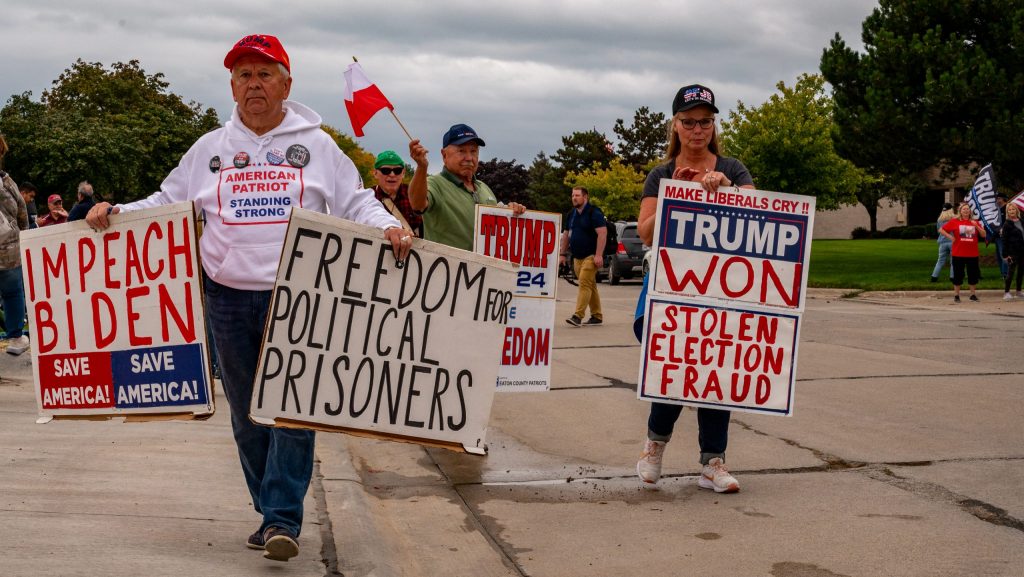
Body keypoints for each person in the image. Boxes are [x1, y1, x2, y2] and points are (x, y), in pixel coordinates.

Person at [86, 33, 410, 563]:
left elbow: (356, 203)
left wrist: (388, 227)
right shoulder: (210, 148)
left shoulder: (319, 145)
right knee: (246, 411)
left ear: (286, 82)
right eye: (242, 75)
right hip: (228, 297)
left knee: (293, 408)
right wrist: (114, 212)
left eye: (263, 73)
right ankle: (269, 510)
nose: (252, 84)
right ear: (232, 87)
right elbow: (166, 202)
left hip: (300, 296)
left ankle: (282, 517)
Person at [634, 84, 754, 493]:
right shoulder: (661, 174)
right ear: (676, 125)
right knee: (674, 363)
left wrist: (726, 190)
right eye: (689, 121)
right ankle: (655, 444)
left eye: (705, 121)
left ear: (713, 124)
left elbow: (758, 216)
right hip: (668, 288)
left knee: (715, 366)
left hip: (719, 290)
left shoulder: (733, 168)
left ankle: (713, 463)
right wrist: (676, 196)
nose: (697, 129)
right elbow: (646, 233)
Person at [407, 124, 525, 250]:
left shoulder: (484, 188)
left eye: (473, 151)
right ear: (444, 155)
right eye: (461, 151)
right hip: (446, 268)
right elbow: (417, 205)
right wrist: (421, 167)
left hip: (485, 268)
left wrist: (512, 213)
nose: (469, 158)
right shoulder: (434, 184)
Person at [0, 136, 30, 355]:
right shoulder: (6, 181)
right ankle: (16, 338)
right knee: (12, 293)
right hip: (9, 248)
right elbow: (22, 211)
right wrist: (24, 236)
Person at [559, 187, 606, 326]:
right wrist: (562, 254)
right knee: (590, 286)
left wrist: (598, 255)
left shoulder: (594, 212)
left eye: (577, 195)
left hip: (590, 256)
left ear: (585, 197)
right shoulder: (571, 214)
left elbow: (602, 234)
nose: (574, 198)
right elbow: (566, 235)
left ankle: (577, 316)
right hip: (577, 257)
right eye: (573, 195)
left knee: (584, 284)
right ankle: (597, 316)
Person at [940, 203, 986, 303]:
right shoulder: (955, 221)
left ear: (970, 211)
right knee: (958, 275)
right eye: (963, 209)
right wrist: (951, 237)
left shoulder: (975, 222)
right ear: (960, 211)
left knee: (973, 274)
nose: (966, 211)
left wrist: (976, 226)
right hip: (958, 253)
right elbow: (941, 230)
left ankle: (972, 294)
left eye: (967, 209)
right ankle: (956, 295)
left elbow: (983, 234)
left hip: (972, 254)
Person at [371, 150, 422, 237]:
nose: (392, 174)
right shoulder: (367, 197)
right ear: (375, 173)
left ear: (403, 173)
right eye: (385, 170)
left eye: (397, 170)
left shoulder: (415, 195)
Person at [1000, 202, 1024, 300]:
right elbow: (1004, 240)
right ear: (1007, 212)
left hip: (1023, 251)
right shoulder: (1007, 224)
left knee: (1021, 272)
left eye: (1013, 209)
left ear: (1016, 210)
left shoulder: (1022, 221)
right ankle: (1006, 292)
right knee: (1011, 272)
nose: (1011, 211)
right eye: (1009, 210)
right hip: (1012, 252)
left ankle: (1018, 291)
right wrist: (1005, 254)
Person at [930, 202, 956, 282]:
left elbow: (939, 231)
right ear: (951, 209)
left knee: (940, 261)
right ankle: (952, 277)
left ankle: (934, 277)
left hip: (942, 242)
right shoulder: (954, 218)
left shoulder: (939, 219)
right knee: (953, 261)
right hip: (952, 241)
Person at [994, 193, 1009, 280]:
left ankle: (1005, 274)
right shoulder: (997, 209)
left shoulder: (1007, 208)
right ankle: (1002, 273)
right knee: (999, 256)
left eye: (998, 198)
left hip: (1004, 236)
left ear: (1003, 199)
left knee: (1003, 255)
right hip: (996, 236)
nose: (997, 200)